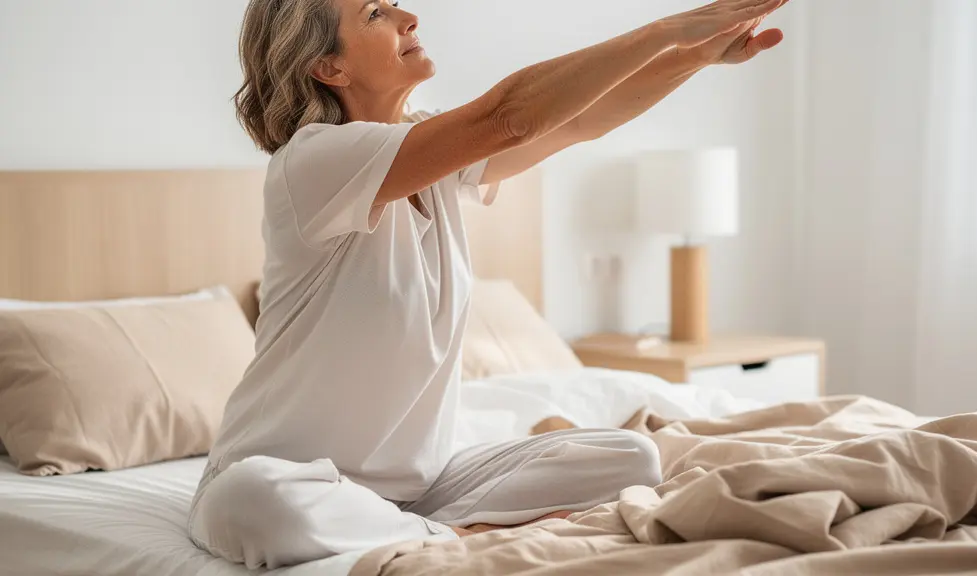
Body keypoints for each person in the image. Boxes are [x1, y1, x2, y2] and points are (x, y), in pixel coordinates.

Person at [187, 0, 791, 569]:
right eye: (375, 11)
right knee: (257, 499)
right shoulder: (314, 162)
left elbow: (578, 120)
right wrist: (669, 29)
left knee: (631, 455)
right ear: (328, 65)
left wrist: (695, 56)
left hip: (418, 489)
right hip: (282, 476)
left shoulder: (436, 157)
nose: (407, 15)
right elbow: (509, 117)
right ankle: (452, 538)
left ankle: (417, 528)